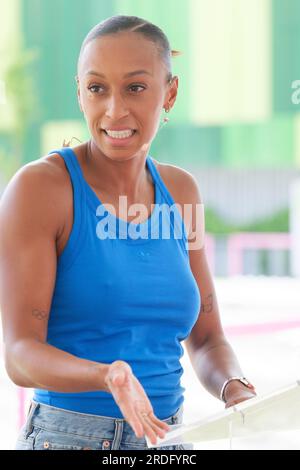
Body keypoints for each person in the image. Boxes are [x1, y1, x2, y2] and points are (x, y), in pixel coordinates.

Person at [0, 15, 256, 451]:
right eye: (97, 88)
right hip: (67, 438)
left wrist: (235, 387)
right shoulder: (41, 188)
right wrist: (104, 375)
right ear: (80, 92)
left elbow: (209, 339)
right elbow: (20, 354)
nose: (114, 110)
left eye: (135, 88)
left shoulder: (181, 191)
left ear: (169, 93)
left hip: (169, 441)